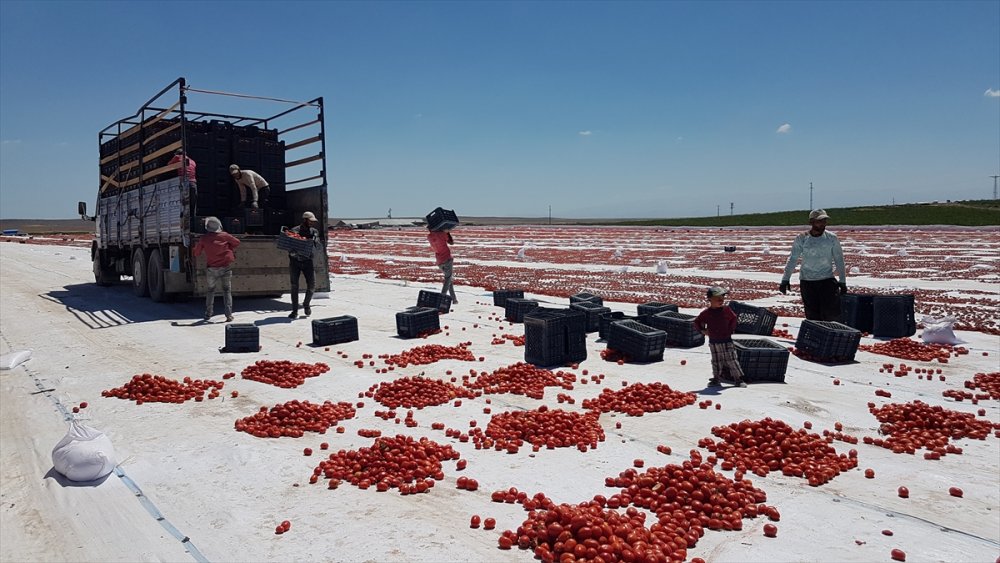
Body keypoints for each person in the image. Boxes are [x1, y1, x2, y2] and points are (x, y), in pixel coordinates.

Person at [779, 209, 848, 321]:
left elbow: (839, 259)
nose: (823, 224)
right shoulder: (802, 238)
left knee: (831, 314)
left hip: (827, 280)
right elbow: (793, 259)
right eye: (819, 221)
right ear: (811, 222)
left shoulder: (831, 238)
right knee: (813, 316)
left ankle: (830, 337)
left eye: (824, 221)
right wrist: (785, 280)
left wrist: (842, 281)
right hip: (807, 282)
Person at [694, 286, 748, 388]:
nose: (721, 301)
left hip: (726, 340)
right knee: (716, 361)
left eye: (722, 299)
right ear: (710, 299)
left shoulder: (726, 310)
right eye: (717, 299)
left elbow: (734, 318)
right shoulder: (706, 313)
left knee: (731, 359)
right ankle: (716, 379)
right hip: (714, 341)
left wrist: (730, 329)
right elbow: (697, 322)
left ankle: (738, 379)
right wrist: (702, 330)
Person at [192, 216, 240, 322]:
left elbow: (197, 253)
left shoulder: (204, 238)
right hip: (226, 267)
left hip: (212, 269)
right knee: (227, 290)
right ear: (219, 226)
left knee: (210, 291)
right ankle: (228, 315)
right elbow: (237, 242)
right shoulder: (225, 236)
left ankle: (208, 314)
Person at [285, 211, 322, 319]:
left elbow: (319, 247)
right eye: (310, 221)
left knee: (311, 285)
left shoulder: (314, 231)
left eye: (313, 221)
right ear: (305, 220)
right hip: (295, 261)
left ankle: (306, 304)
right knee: (294, 286)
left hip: (308, 261)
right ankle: (295, 311)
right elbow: (288, 245)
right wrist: (293, 252)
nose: (312, 223)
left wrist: (316, 240)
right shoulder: (294, 231)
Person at [427, 226, 458, 304]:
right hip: (447, 259)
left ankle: (454, 300)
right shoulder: (442, 234)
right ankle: (442, 297)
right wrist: (447, 232)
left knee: (449, 279)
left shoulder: (429, 236)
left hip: (439, 261)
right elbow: (451, 242)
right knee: (448, 279)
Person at [169, 149, 197, 219]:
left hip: (184, 182)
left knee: (183, 203)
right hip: (193, 183)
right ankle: (192, 221)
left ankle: (183, 221)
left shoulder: (177, 157)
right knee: (192, 204)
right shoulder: (193, 161)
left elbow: (169, 165)